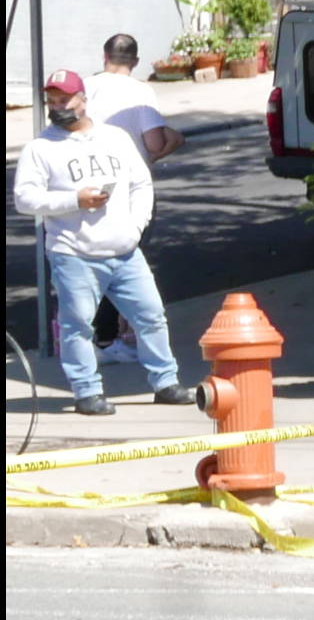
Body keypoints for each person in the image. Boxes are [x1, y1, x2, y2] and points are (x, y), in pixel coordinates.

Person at [14, 69, 196, 415]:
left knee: (151, 316)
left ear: (83, 99)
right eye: (52, 102)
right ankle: (86, 392)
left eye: (64, 100)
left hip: (125, 250)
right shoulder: (40, 148)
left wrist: (135, 227)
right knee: (78, 324)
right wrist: (73, 200)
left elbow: (142, 183)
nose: (58, 107)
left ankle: (166, 382)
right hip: (74, 253)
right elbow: (25, 199)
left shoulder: (115, 138)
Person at [86, 33, 183, 164]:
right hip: (129, 172)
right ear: (136, 62)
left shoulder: (85, 85)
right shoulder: (142, 91)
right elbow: (154, 144)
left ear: (105, 56)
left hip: (89, 168)